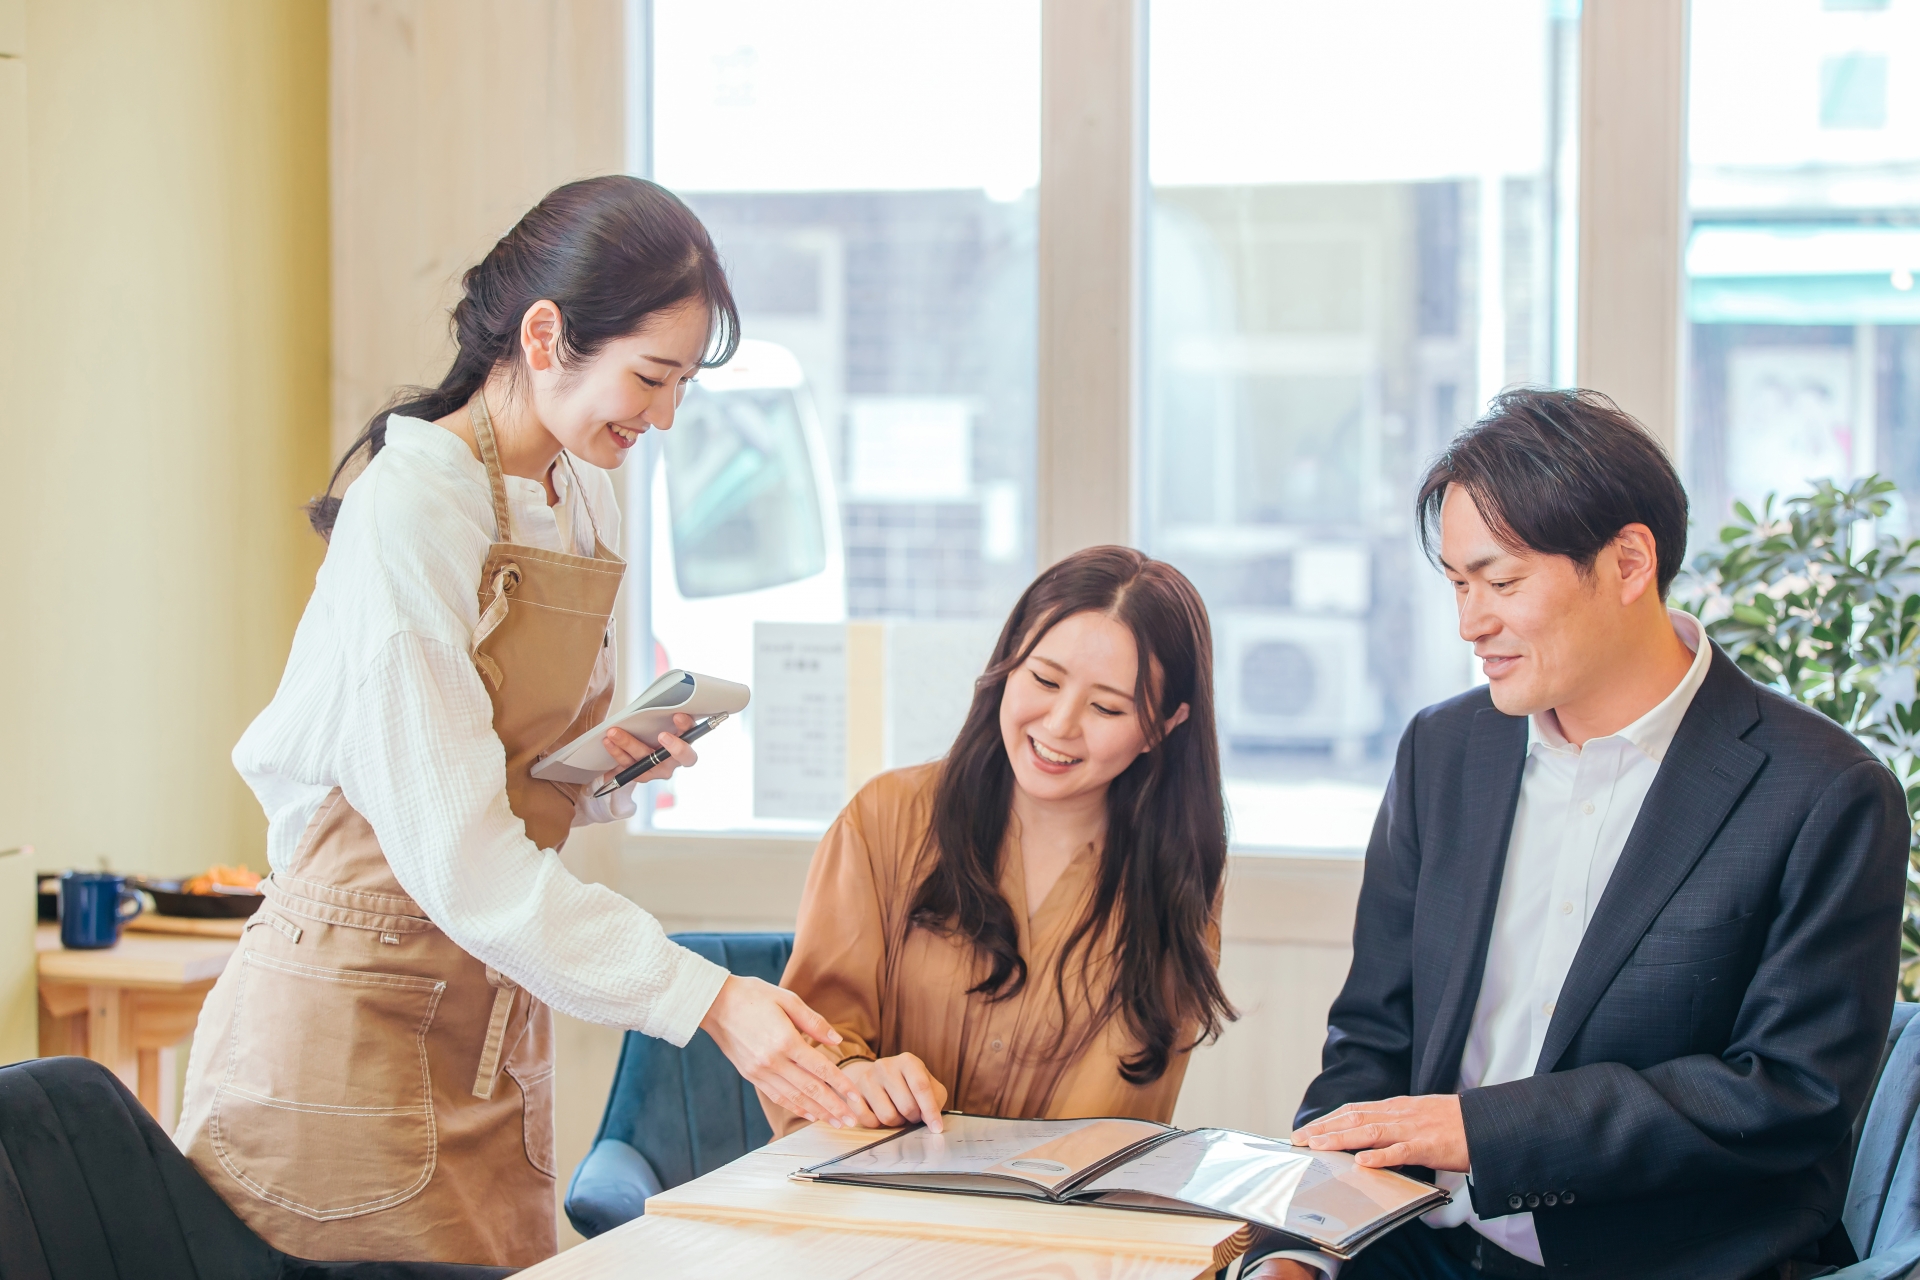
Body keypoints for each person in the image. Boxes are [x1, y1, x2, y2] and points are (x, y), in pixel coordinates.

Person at [174, 177, 862, 1268]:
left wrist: (602, 766)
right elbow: (465, 859)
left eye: (681, 383)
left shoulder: (580, 489)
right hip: (346, 1026)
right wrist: (711, 999)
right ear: (546, 335)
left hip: (486, 1017)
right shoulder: (411, 511)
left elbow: (500, 779)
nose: (666, 415)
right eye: (650, 376)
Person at [1252, 389, 1908, 1280]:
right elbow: (1373, 1041)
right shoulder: (1444, 752)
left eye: (1503, 581)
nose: (1470, 622)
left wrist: (1481, 1134)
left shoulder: (1823, 792)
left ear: (1629, 561)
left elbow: (1791, 1094)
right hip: (1417, 1246)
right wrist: (1305, 1249)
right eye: (1457, 584)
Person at [763, 546, 1235, 1137]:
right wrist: (857, 1077)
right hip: (861, 1201)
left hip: (1047, 1223)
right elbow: (808, 1053)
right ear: (1008, 663)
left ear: (1163, 728)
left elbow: (1109, 1130)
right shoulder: (885, 819)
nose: (1060, 724)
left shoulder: (1176, 877)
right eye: (1043, 678)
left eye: (1107, 708)